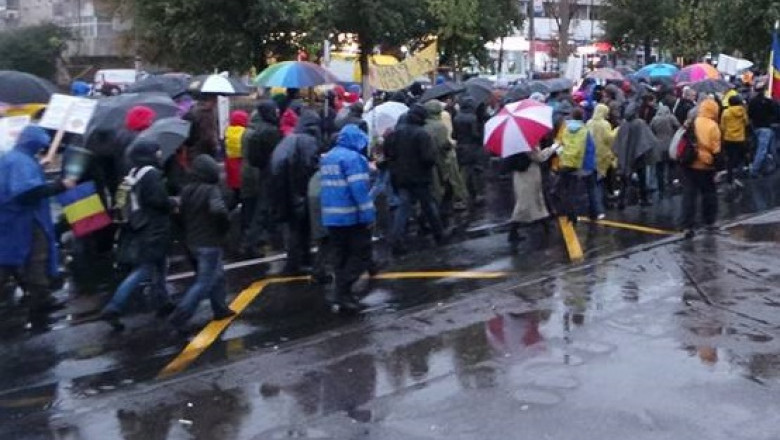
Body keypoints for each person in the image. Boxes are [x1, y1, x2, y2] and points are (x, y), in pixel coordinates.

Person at [0, 126, 75, 320]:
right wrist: (60, 186)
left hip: (10, 220)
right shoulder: (21, 162)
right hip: (24, 221)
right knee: (35, 258)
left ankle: (39, 296)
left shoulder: (14, 158)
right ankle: (41, 299)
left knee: (9, 259)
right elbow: (27, 193)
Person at [101, 140, 175, 331]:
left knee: (160, 264)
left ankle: (163, 301)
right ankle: (114, 306)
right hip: (154, 227)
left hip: (138, 225)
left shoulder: (133, 172)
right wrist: (173, 203)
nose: (160, 154)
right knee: (145, 267)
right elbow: (158, 201)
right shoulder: (151, 174)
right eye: (157, 151)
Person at [168, 155, 235, 332]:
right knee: (205, 282)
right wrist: (224, 227)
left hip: (192, 241)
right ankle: (180, 315)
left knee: (217, 274)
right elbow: (219, 211)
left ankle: (220, 308)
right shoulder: (211, 190)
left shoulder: (186, 190)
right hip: (209, 241)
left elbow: (179, 214)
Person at [320, 125, 376, 311]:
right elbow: (359, 190)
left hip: (332, 216)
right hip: (351, 215)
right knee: (361, 254)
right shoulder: (354, 159)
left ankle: (343, 296)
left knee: (340, 256)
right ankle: (343, 289)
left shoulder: (328, 158)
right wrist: (368, 215)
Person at [384, 104, 446, 255]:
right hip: (420, 177)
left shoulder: (394, 134)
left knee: (403, 208)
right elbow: (428, 158)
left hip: (400, 177)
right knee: (429, 205)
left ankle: (396, 239)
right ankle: (439, 234)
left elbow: (388, 154)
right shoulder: (421, 134)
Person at [270, 110, 322, 274]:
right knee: (300, 227)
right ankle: (296, 262)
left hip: (282, 186)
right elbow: (309, 165)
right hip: (296, 188)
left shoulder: (290, 138)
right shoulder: (307, 140)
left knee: (294, 226)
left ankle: (299, 260)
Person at [241, 100, 282, 257]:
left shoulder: (253, 130)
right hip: (271, 173)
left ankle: (257, 240)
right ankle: (251, 244)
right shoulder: (271, 131)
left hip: (260, 172)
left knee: (260, 209)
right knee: (264, 210)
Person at [681, 98, 721, 238]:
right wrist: (717, 167)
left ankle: (687, 226)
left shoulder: (693, 121)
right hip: (705, 165)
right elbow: (716, 149)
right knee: (709, 194)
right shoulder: (713, 126)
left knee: (689, 195)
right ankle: (709, 221)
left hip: (689, 162)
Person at [424, 100, 468, 225]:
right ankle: (447, 209)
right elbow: (444, 144)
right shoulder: (439, 125)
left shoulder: (423, 125)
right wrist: (451, 145)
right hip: (443, 159)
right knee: (449, 182)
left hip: (428, 160)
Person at [504, 146, 556, 244]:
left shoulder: (514, 146)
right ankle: (513, 232)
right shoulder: (528, 145)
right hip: (529, 176)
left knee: (531, 202)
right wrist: (551, 149)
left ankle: (546, 226)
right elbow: (539, 157)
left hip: (520, 176)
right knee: (528, 204)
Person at [557, 107, 600, 222]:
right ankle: (593, 213)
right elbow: (590, 148)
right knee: (591, 189)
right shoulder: (585, 131)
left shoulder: (566, 129)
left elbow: (562, 144)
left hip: (569, 163)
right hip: (584, 164)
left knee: (571, 191)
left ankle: (572, 215)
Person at [613, 103, 658, 208]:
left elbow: (618, 140)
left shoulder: (623, 124)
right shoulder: (640, 123)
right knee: (642, 177)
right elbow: (648, 139)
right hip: (639, 156)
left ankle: (621, 200)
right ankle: (643, 199)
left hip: (625, 155)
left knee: (624, 178)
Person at [452, 96, 483, 209]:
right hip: (472, 147)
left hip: (460, 147)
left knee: (463, 171)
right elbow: (475, 134)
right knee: (475, 171)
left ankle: (463, 195)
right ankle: (475, 194)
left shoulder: (456, 117)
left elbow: (454, 135)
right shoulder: (473, 118)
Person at [587, 103, 617, 207]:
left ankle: (595, 203)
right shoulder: (605, 124)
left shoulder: (589, 123)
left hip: (592, 154)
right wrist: (616, 131)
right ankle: (606, 200)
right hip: (604, 154)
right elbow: (609, 139)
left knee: (595, 179)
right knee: (606, 179)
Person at [747, 85, 778, 178]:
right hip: (766, 127)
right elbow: (775, 112)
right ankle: (755, 170)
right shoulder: (768, 102)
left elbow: (749, 115)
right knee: (763, 150)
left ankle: (773, 164)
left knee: (770, 148)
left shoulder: (752, 102)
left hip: (756, 127)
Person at [650, 104, 680, 196]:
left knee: (659, 168)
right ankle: (670, 185)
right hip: (670, 145)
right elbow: (678, 127)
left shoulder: (654, 119)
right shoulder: (671, 117)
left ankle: (661, 189)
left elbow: (651, 130)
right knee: (671, 166)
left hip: (658, 146)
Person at [720, 95, 749, 187]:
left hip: (728, 138)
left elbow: (722, 126)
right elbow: (746, 122)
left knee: (730, 159)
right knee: (741, 158)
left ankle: (730, 178)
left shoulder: (726, 112)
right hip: (740, 138)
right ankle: (739, 176)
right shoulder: (742, 110)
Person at [183, 96, 219, 162]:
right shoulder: (195, 113)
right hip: (198, 149)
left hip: (208, 149)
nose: (215, 103)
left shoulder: (212, 111)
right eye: (214, 100)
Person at [224, 110, 249, 198]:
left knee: (234, 190)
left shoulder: (227, 131)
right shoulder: (246, 133)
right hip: (242, 164)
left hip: (231, 163)